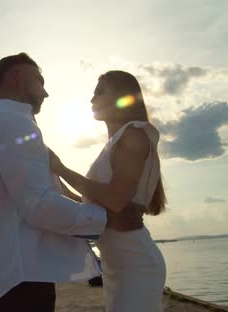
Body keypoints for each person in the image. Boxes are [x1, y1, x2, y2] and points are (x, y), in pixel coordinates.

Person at [0, 52, 109, 312]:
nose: (45, 93)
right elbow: (39, 205)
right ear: (17, 77)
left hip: (18, 271)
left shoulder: (2, 122)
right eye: (40, 81)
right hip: (23, 275)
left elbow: (45, 192)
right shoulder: (11, 122)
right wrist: (106, 220)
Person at [49, 70, 167, 312]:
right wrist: (56, 185)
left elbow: (114, 199)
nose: (92, 99)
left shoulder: (134, 133)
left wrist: (61, 168)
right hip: (118, 264)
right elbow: (98, 204)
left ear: (122, 98)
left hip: (135, 264)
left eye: (100, 91)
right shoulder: (115, 143)